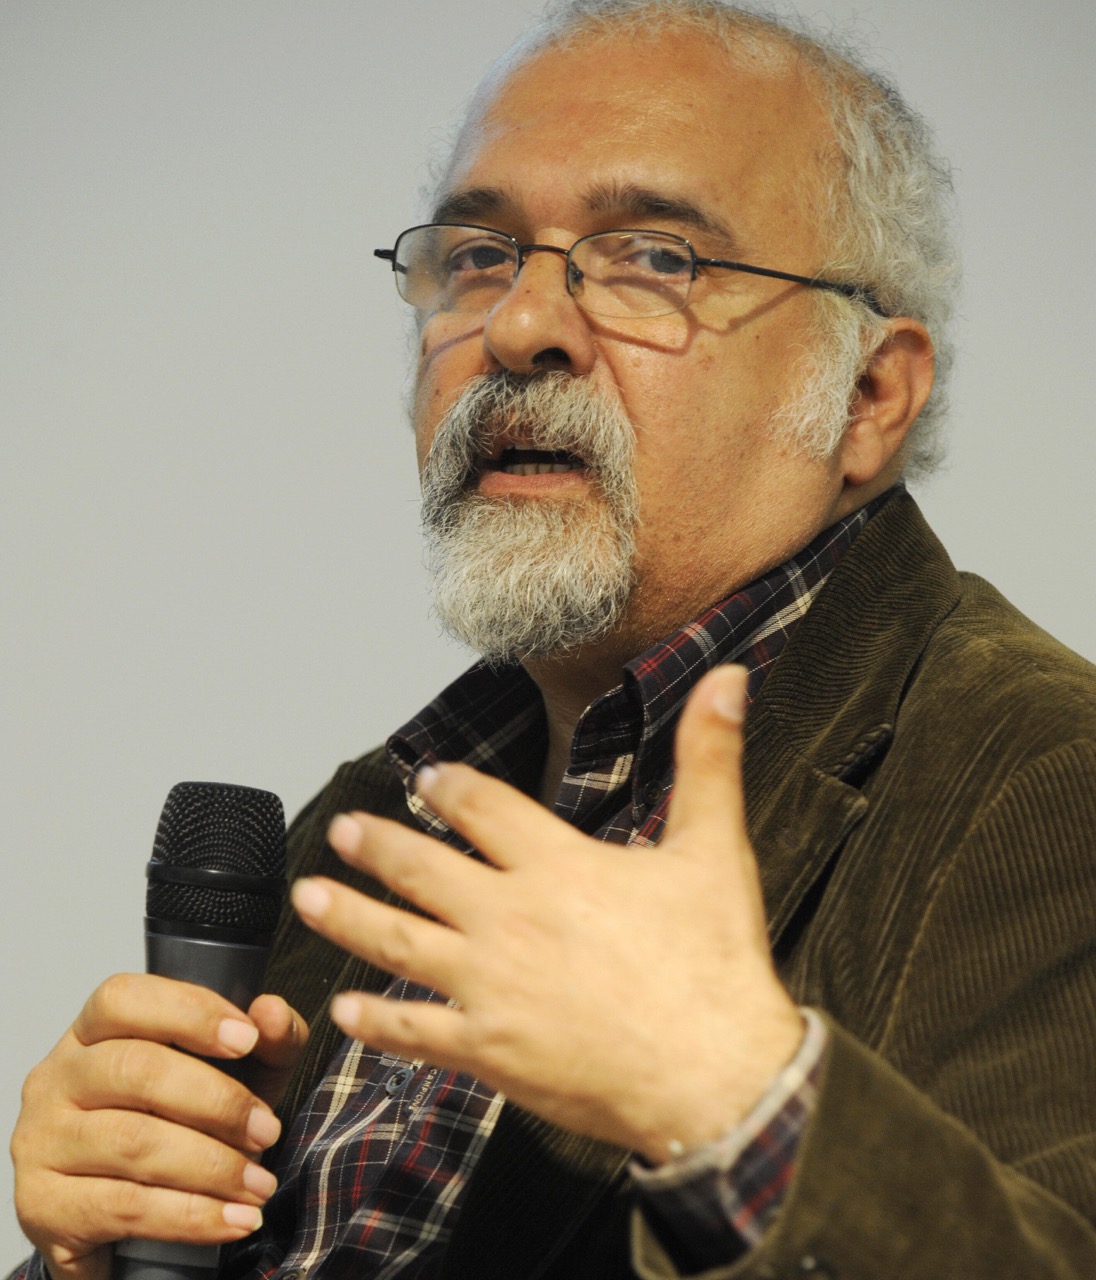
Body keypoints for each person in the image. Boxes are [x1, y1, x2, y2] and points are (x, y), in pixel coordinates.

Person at [9, 1, 1095, 1277]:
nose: (519, 326)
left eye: (654, 258)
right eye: (477, 256)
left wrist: (734, 1104)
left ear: (867, 394)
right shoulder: (374, 824)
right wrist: (93, 1244)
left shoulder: (1045, 782)